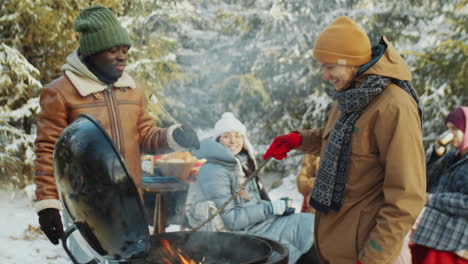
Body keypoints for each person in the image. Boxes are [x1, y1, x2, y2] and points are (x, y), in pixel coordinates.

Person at [33, 5, 199, 262]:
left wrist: (173, 137)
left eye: (125, 50)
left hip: (130, 201)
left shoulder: (132, 91)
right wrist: (48, 204)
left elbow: (144, 136)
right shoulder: (61, 92)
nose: (122, 57)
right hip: (88, 207)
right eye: (113, 50)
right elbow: (48, 150)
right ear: (92, 52)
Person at [263, 16, 426, 264]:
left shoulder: (394, 106)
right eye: (322, 67)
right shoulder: (351, 95)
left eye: (330, 67)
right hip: (338, 246)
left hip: (367, 252)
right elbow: (340, 144)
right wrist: (298, 140)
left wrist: (373, 257)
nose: (325, 76)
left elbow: (406, 198)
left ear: (351, 62)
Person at [185, 112, 318, 264]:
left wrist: (279, 208)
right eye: (226, 136)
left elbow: (254, 201)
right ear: (217, 140)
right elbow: (232, 221)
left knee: (310, 224)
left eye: (238, 136)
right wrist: (270, 208)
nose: (233, 141)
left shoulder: (241, 163)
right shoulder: (214, 171)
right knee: (300, 237)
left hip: (257, 224)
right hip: (239, 235)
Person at [410, 106, 468, 264]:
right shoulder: (451, 157)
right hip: (429, 231)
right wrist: (436, 155)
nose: (450, 134)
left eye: (455, 129)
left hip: (454, 243)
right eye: (448, 129)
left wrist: (430, 199)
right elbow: (424, 181)